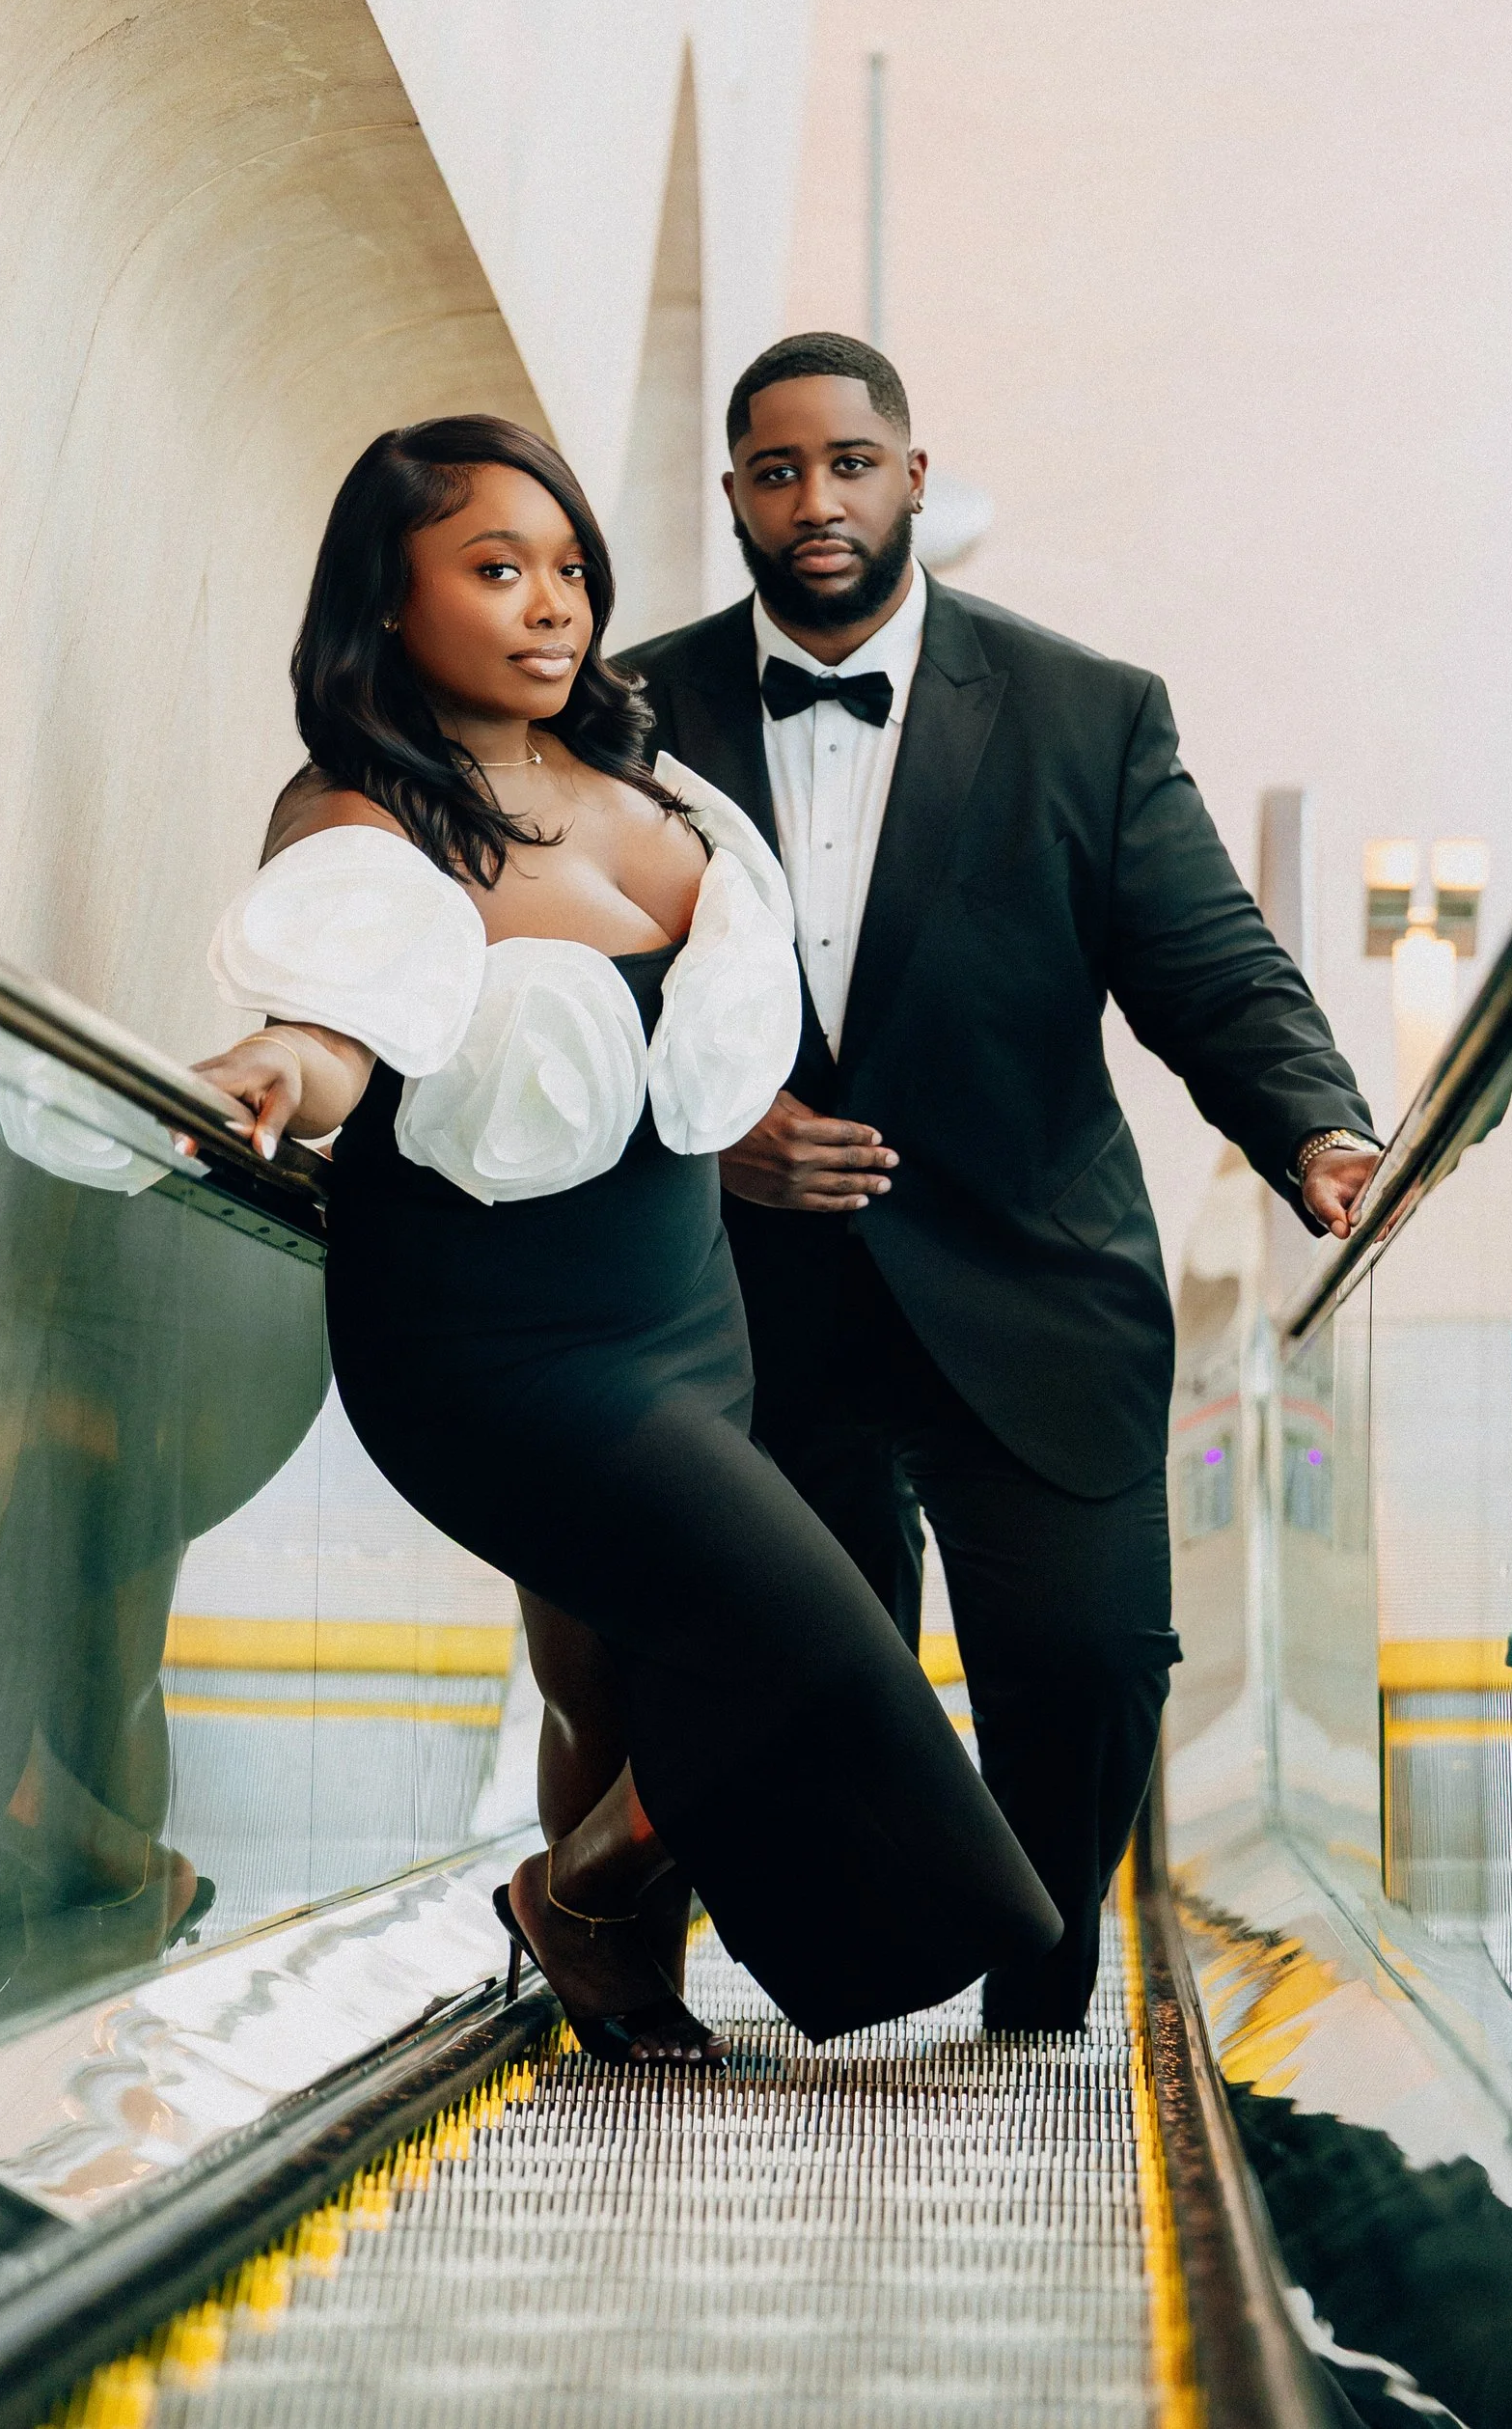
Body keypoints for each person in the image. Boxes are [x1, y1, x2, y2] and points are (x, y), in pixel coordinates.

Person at [196, 415, 1059, 2062]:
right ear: (389, 601)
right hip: (496, 1339)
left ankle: (621, 1985)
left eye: (571, 569)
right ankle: (582, 1894)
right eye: (496, 569)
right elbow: (341, 1020)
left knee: (611, 1673)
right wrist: (273, 1069)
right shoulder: (362, 809)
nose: (552, 607)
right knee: (819, 1644)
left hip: (678, 1309)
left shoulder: (638, 779)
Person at [618, 332, 1379, 2029]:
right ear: (734, 493)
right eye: (777, 469)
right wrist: (713, 1126)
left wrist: (1320, 1131)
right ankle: (856, 1972)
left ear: (911, 474)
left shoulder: (1085, 712)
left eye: (851, 463)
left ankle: (1039, 1996)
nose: (817, 500)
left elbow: (1210, 968)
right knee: (804, 1682)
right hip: (751, 1320)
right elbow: (575, 996)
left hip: (1034, 1285)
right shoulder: (631, 714)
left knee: (1090, 1667)